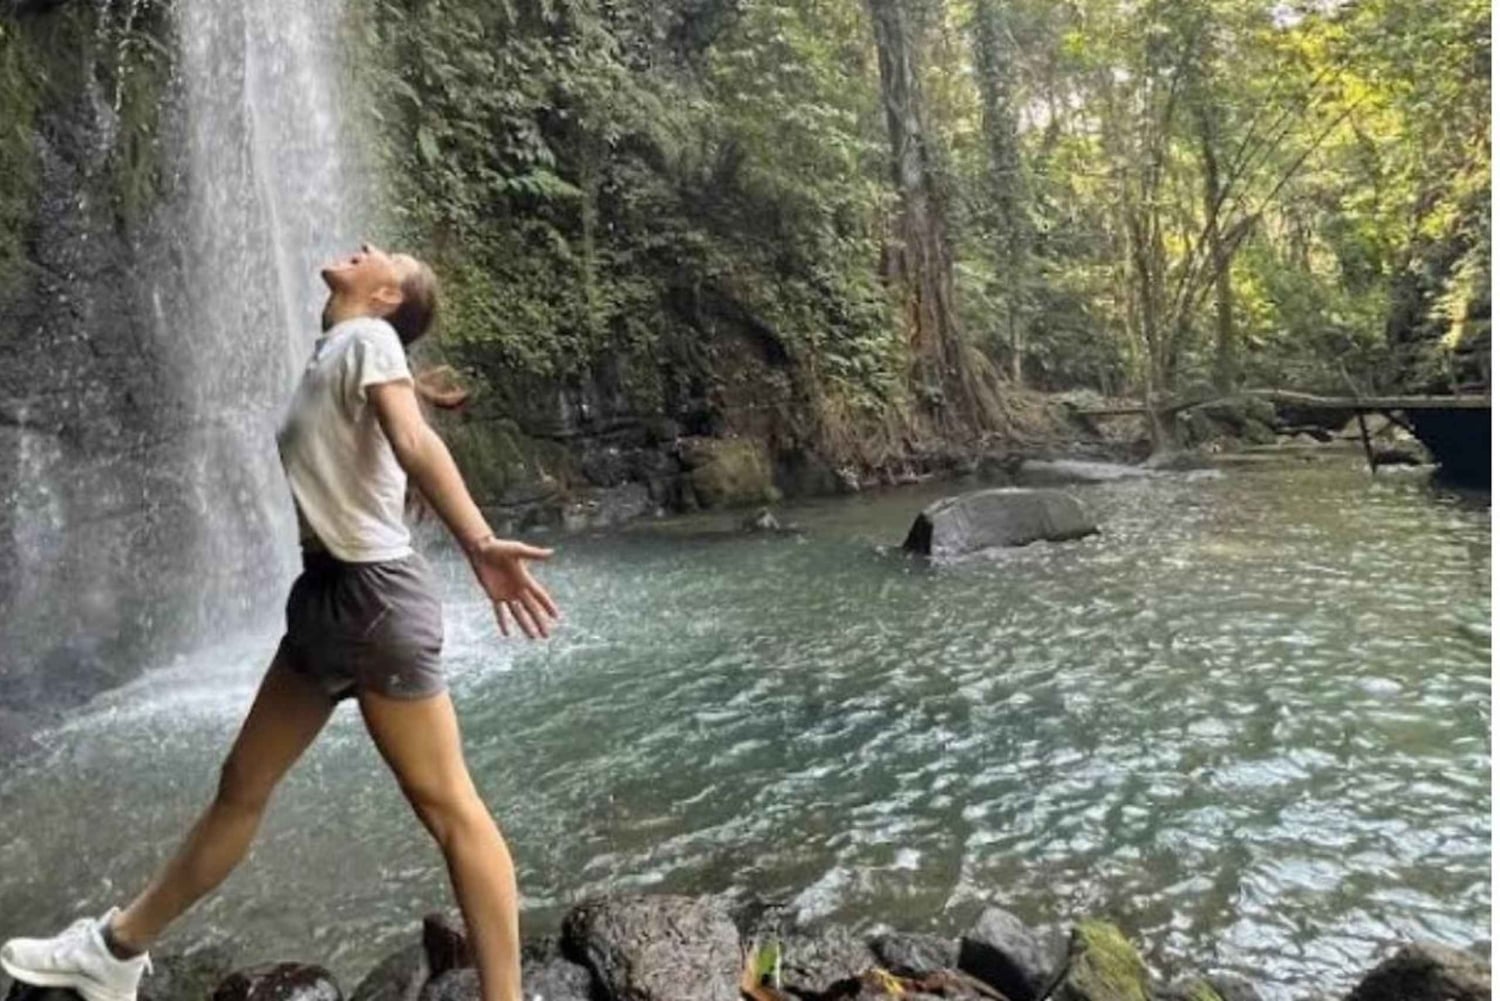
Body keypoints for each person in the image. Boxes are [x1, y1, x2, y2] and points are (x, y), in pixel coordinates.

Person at [0, 244, 558, 1001]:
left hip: (372, 600)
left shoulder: (371, 339)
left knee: (450, 807)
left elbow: (414, 440)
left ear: (388, 292)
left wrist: (480, 543)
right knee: (240, 784)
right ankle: (117, 950)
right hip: (327, 600)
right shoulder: (339, 350)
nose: (364, 248)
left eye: (383, 253)